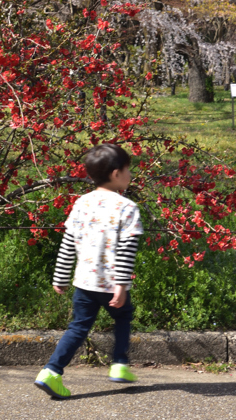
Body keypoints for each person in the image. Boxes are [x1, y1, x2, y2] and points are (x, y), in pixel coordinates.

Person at [34, 144, 144, 399]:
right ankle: (119, 363)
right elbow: (127, 252)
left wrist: (60, 276)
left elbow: (68, 242)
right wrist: (121, 284)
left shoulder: (81, 203)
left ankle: (51, 371)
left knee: (78, 327)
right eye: (128, 169)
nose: (131, 174)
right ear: (116, 174)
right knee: (124, 316)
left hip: (84, 282)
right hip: (110, 284)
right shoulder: (127, 208)